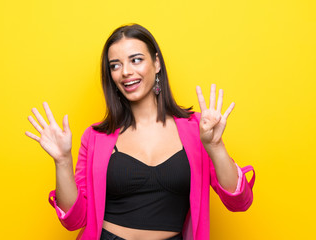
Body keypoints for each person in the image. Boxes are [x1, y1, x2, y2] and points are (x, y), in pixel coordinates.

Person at [25, 24, 255, 240]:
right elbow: (75, 220)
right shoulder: (96, 138)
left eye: (135, 60)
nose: (125, 71)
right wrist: (63, 161)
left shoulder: (198, 129)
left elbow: (240, 202)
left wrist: (215, 147)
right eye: (115, 65)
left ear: (156, 64)